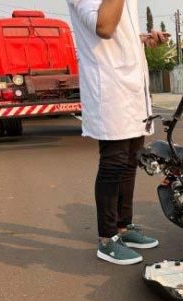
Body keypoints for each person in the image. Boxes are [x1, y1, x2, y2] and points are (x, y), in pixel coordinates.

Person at [67, 0, 168, 265]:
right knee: (113, 163)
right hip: (109, 88)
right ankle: (107, 238)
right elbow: (104, 26)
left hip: (133, 87)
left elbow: (117, 30)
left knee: (130, 161)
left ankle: (124, 226)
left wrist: (142, 39)